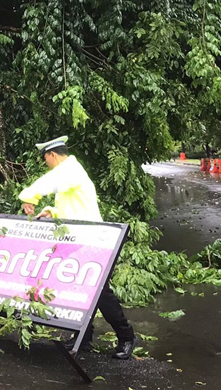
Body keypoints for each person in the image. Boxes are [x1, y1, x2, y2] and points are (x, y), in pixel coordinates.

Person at [18, 135, 137, 360]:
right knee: (76, 286)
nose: (47, 165)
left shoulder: (70, 170)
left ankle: (126, 337)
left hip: (92, 241)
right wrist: (52, 212)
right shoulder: (70, 175)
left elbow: (48, 182)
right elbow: (75, 207)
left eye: (46, 160)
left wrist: (29, 197)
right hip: (78, 240)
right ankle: (84, 337)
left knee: (100, 292)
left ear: (51, 155)